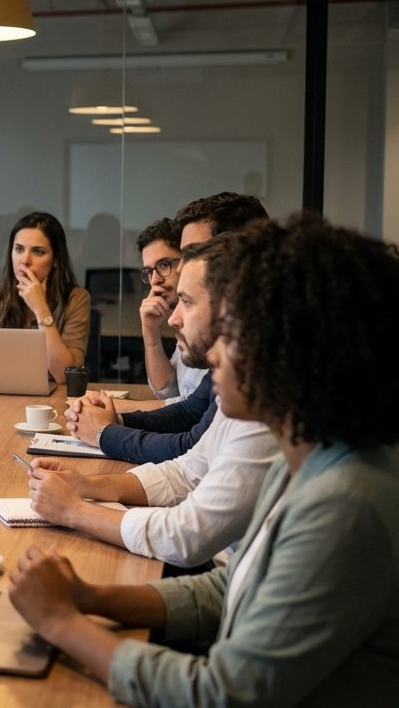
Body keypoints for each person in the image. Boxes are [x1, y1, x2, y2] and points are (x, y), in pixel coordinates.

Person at [9, 215, 399, 705]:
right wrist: (92, 598)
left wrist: (60, 622)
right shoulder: (314, 453)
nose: (215, 351)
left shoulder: (347, 505)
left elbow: (221, 696)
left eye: (235, 332)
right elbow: (233, 586)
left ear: (296, 354)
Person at [26, 236, 279, 568]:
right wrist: (89, 485)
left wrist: (75, 510)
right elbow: (188, 471)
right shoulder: (242, 392)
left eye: (186, 301)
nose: (173, 318)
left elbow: (186, 536)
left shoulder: (263, 411)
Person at [67, 193, 269, 464]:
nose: (183, 266)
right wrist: (115, 420)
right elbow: (188, 409)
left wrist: (106, 431)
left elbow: (191, 446)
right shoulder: (229, 332)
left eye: (190, 253)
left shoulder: (264, 346)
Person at [0, 211, 90, 383]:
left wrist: (41, 310)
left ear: (55, 260)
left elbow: (65, 376)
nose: (25, 260)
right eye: (19, 249)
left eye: (38, 251)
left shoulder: (76, 298)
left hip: (49, 402)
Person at [133, 218, 203, 403]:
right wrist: (150, 332)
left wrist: (118, 410)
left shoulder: (203, 315)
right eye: (149, 271)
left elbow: (189, 409)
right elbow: (167, 390)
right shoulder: (182, 315)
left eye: (164, 265)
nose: (155, 280)